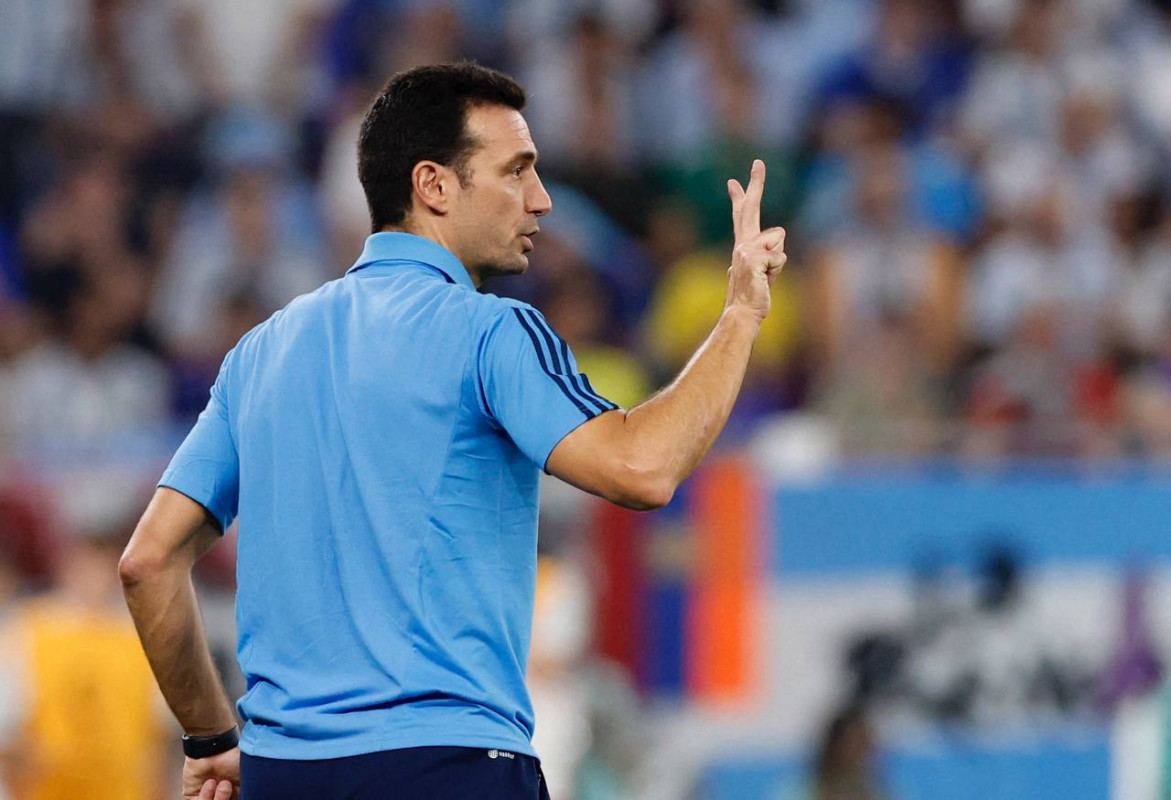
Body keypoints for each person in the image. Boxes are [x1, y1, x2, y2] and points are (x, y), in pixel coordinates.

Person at [118, 61, 787, 800]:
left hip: (284, 774)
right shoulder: (489, 332)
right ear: (433, 185)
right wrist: (740, 314)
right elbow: (642, 468)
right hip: (448, 763)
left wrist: (212, 738)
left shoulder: (260, 352)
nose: (540, 199)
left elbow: (149, 562)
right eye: (515, 171)